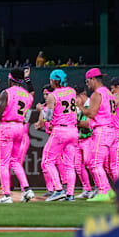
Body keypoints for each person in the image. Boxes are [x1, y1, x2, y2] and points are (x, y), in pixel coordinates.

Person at [0, 68, 35, 204]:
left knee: (3, 162)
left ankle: (6, 195)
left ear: (10, 79)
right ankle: (26, 189)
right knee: (15, 161)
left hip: (7, 126)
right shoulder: (28, 96)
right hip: (20, 127)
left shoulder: (7, 92)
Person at [39, 70, 78, 202]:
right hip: (73, 130)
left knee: (47, 160)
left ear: (54, 81)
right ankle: (70, 194)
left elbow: (48, 117)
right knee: (69, 165)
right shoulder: (72, 91)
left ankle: (58, 189)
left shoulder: (52, 95)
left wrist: (41, 110)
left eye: (51, 80)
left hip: (60, 130)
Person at [77, 68, 115, 202]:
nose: (87, 84)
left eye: (88, 81)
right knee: (101, 163)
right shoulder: (109, 92)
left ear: (93, 79)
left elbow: (91, 114)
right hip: (110, 129)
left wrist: (80, 106)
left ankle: (103, 192)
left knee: (94, 163)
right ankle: (109, 191)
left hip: (102, 129)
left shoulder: (97, 94)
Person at [74, 86, 95, 199]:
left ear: (81, 95)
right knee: (78, 165)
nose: (74, 100)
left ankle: (99, 187)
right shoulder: (78, 106)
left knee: (90, 163)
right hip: (78, 138)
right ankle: (86, 189)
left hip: (89, 138)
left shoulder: (90, 105)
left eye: (76, 97)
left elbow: (87, 124)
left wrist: (73, 121)